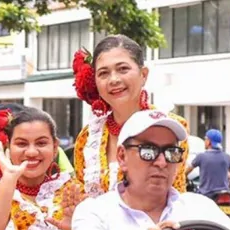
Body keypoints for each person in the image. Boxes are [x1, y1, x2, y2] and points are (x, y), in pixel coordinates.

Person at [70, 110, 230, 230]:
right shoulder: (95, 210)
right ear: (122, 157)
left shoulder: (200, 208)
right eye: (148, 151)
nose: (162, 162)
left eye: (171, 152)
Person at [71, 35, 191, 198]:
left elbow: (177, 195)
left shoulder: (171, 128)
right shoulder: (88, 137)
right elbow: (81, 198)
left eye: (123, 69)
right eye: (103, 73)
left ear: (144, 75)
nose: (114, 80)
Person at [187, 128, 230, 199]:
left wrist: (183, 176)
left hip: (205, 194)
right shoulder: (227, 157)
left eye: (205, 139)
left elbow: (187, 171)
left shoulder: (201, 157)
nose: (204, 141)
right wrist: (227, 180)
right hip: (224, 195)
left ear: (209, 142)